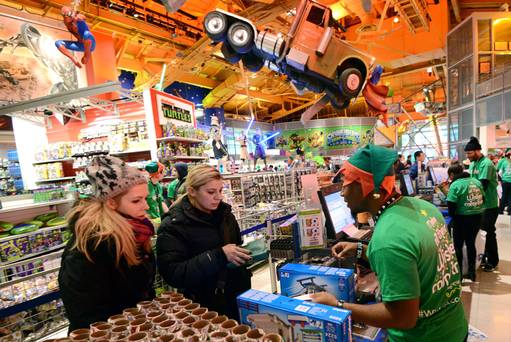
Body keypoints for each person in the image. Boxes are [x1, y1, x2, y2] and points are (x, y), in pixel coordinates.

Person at [311, 145, 468, 342]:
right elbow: (415, 261)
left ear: (366, 186)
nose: (342, 193)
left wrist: (339, 306)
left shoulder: (388, 238)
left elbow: (402, 317)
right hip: (454, 327)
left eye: (345, 183)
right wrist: (361, 249)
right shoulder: (422, 207)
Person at [58, 156, 155, 331]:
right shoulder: (92, 243)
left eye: (145, 198)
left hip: (137, 327)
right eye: (136, 200)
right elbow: (85, 312)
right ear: (111, 202)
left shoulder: (137, 230)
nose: (146, 206)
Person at [157, 165, 252, 320]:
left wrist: (242, 256)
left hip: (237, 299)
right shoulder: (174, 225)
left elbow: (235, 244)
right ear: (192, 191)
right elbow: (173, 273)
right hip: (204, 309)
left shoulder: (225, 215)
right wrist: (219, 255)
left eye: (220, 190)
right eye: (211, 192)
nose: (219, 197)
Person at [465, 136, 499, 272]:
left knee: (488, 232)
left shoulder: (487, 164)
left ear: (477, 151)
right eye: (467, 154)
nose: (468, 156)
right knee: (481, 232)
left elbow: (482, 185)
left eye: (470, 153)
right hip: (478, 205)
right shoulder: (473, 164)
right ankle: (484, 256)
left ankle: (492, 260)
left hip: (489, 205)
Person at [446, 163, 484, 282]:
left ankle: (459, 275)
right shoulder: (476, 181)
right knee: (470, 243)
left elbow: (451, 206)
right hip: (477, 217)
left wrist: (453, 218)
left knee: (458, 245)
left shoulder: (455, 185)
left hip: (462, 219)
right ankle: (472, 273)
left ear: (452, 174)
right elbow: (483, 198)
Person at [497, 149, 511, 215]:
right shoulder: (504, 162)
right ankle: (509, 211)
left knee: (504, 196)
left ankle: (500, 210)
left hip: (505, 182)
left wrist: (503, 179)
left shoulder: (504, 162)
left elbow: (500, 172)